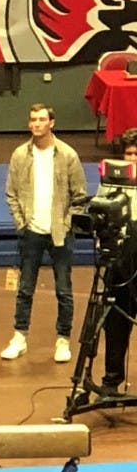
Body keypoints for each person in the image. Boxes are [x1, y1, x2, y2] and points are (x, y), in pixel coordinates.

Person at [1, 102, 88, 362]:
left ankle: (62, 340)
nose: (36, 124)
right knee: (25, 289)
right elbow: (11, 193)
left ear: (52, 123)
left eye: (41, 119)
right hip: (32, 233)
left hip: (60, 233)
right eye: (32, 120)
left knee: (64, 290)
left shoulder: (68, 155)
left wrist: (67, 222)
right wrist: (22, 223)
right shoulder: (19, 155)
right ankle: (19, 336)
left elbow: (80, 195)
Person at [100, 127, 137, 394]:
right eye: (128, 154)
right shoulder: (111, 182)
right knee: (115, 324)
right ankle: (111, 380)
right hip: (121, 263)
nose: (132, 158)